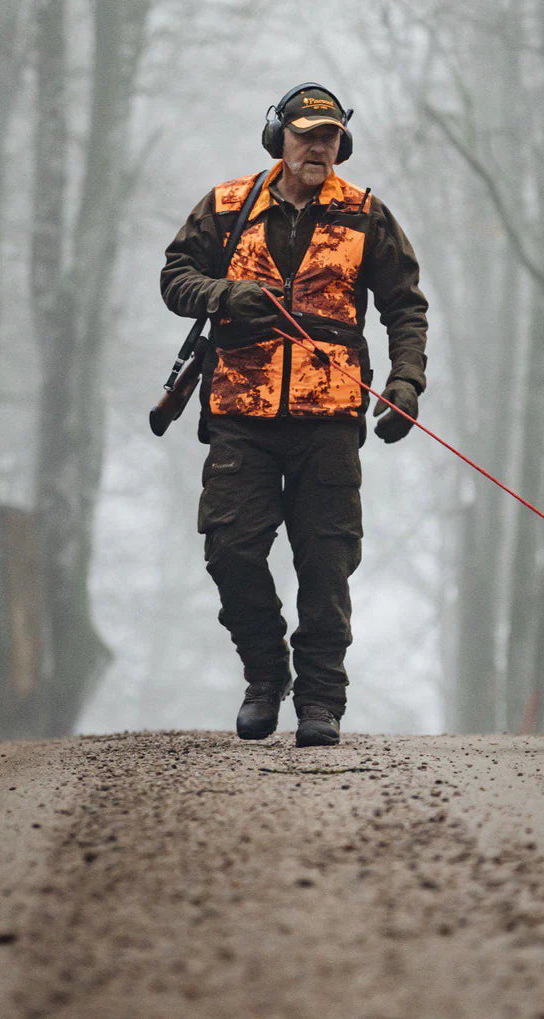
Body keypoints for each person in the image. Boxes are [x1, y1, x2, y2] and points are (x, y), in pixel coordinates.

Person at [160, 83, 428, 746]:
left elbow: (405, 307)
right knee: (230, 550)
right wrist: (225, 293)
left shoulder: (367, 216)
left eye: (330, 134)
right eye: (308, 132)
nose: (319, 145)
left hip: (330, 419)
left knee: (327, 562)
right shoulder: (226, 207)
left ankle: (320, 700)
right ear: (278, 134)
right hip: (238, 415)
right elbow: (174, 277)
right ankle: (263, 673)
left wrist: (406, 383)